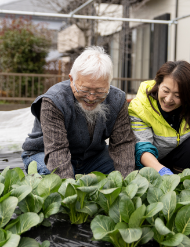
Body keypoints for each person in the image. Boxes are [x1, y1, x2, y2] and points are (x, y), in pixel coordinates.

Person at [21, 46, 135, 179]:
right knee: (50, 176)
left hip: (92, 157)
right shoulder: (54, 101)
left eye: (99, 91)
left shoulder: (118, 99)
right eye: (84, 90)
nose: (91, 97)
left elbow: (123, 145)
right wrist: (70, 193)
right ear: (71, 80)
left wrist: (124, 185)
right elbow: (56, 150)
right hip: (45, 152)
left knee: (129, 167)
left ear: (109, 84)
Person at [128, 61, 190, 176]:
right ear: (158, 84)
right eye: (165, 91)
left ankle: (179, 184)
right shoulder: (141, 107)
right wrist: (162, 171)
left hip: (170, 159)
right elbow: (143, 149)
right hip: (146, 165)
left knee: (189, 146)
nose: (169, 99)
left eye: (178, 95)